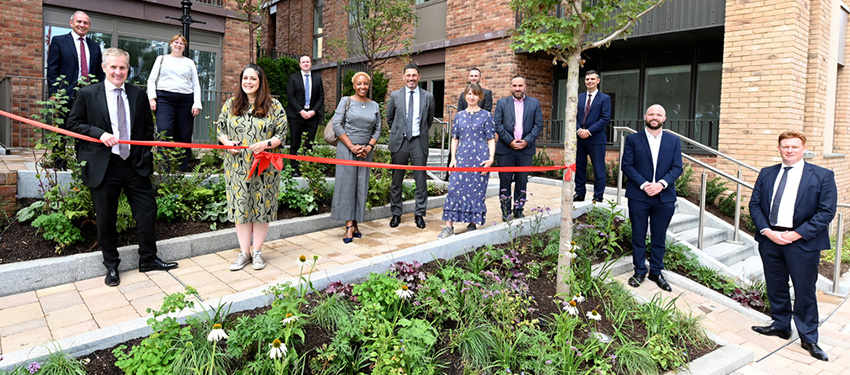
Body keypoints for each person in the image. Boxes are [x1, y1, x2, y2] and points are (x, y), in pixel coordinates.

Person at [64, 48, 178, 287]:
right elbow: (73, 124)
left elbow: (147, 128)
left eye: (122, 67)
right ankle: (112, 266)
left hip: (135, 165)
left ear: (128, 69)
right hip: (104, 165)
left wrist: (144, 154)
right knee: (107, 218)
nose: (118, 72)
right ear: (104, 68)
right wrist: (99, 134)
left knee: (147, 212)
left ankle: (148, 259)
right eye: (113, 67)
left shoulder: (137, 94)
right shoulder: (88, 94)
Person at [748, 131, 836, 362]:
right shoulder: (767, 173)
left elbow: (826, 212)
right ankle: (780, 325)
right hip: (770, 239)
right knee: (776, 285)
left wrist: (796, 234)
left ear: (803, 148)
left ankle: (808, 337)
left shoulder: (822, 175)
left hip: (803, 243)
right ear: (779, 148)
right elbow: (755, 204)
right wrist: (768, 231)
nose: (789, 150)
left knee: (805, 290)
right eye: (785, 146)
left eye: (794, 147)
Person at [216, 64, 287, 271]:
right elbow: (220, 129)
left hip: (264, 166)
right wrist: (227, 143)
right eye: (245, 78)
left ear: (260, 82)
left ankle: (257, 252)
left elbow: (281, 134)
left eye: (252, 79)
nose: (248, 82)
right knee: (241, 208)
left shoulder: (274, 105)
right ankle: (244, 252)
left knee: (261, 208)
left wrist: (265, 144)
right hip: (236, 166)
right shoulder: (231, 104)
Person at [622, 104, 682, 292]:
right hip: (639, 195)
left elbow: (677, 167)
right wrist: (644, 184)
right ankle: (639, 270)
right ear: (645, 116)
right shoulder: (632, 139)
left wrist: (661, 184)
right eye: (651, 114)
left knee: (659, 236)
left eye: (658, 114)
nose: (654, 117)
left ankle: (656, 272)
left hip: (664, 197)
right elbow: (627, 165)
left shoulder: (673, 141)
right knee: (638, 234)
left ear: (664, 118)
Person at [439, 83, 495, 239]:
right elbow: (455, 138)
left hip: (480, 159)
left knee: (476, 192)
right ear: (465, 96)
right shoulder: (459, 115)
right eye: (469, 94)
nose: (472, 97)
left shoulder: (486, 116)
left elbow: (491, 139)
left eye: (475, 94)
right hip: (462, 158)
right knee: (454, 190)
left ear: (480, 97)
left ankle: (472, 223)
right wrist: (453, 158)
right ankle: (449, 226)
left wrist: (491, 158)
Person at [331, 72, 381, 243]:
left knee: (361, 185)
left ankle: (357, 222)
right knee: (347, 186)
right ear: (354, 85)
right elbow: (337, 125)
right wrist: (352, 146)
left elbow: (378, 129)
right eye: (359, 83)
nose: (362, 87)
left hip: (365, 152)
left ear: (369, 85)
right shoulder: (346, 101)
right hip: (346, 149)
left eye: (365, 84)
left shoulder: (374, 105)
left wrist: (368, 147)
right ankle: (348, 226)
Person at [387, 63, 435, 229]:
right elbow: (390, 119)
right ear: (403, 77)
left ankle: (420, 214)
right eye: (408, 75)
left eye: (414, 75)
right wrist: (400, 132)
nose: (411, 78)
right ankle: (396, 213)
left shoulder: (427, 96)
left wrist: (417, 133)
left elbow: (428, 120)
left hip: (418, 142)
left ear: (419, 77)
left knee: (421, 181)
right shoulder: (395, 96)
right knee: (396, 180)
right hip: (400, 141)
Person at [146, 34, 202, 171]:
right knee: (165, 130)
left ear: (184, 47)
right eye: (176, 42)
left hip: (186, 100)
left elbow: (196, 84)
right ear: (171, 44)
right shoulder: (161, 59)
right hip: (165, 98)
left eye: (181, 43)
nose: (178, 45)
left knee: (184, 133)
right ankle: (165, 167)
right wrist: (152, 98)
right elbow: (151, 79)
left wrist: (197, 103)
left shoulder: (189, 62)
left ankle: (182, 168)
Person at [494, 76, 542, 221]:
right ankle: (506, 211)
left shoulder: (534, 103)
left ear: (525, 86)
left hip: (525, 150)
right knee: (505, 180)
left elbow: (538, 125)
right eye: (514, 85)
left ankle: (519, 209)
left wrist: (526, 141)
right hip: (505, 150)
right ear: (511, 86)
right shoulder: (502, 103)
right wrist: (510, 141)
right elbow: (497, 124)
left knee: (522, 181)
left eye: (520, 85)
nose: (517, 88)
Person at [46, 10, 104, 100]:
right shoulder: (59, 41)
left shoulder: (95, 46)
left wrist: (99, 94)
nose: (82, 25)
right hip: (65, 95)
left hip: (90, 95)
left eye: (85, 23)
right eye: (79, 21)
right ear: (71, 23)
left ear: (89, 26)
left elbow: (99, 72)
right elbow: (52, 70)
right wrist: (54, 93)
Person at [574, 70, 611, 203]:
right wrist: (579, 129)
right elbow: (574, 115)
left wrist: (589, 131)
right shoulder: (579, 97)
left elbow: (605, 118)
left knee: (598, 168)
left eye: (592, 79)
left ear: (598, 81)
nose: (589, 81)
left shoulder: (604, 98)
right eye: (587, 79)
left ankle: (598, 196)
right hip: (579, 139)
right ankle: (579, 193)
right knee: (579, 167)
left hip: (596, 139)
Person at [285, 55, 324, 173]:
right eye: (303, 62)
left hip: (312, 116)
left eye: (308, 61)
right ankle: (294, 168)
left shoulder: (317, 78)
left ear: (311, 64)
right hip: (296, 116)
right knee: (295, 142)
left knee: (309, 143)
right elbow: (290, 97)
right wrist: (301, 111)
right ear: (300, 64)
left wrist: (313, 111)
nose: (306, 63)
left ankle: (306, 168)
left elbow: (321, 97)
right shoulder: (293, 78)